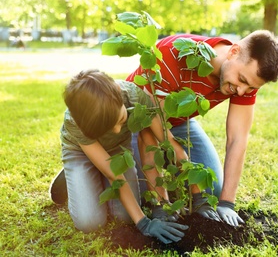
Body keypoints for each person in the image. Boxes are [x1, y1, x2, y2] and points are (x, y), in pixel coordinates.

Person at [127, 30, 278, 227]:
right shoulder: (171, 54)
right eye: (242, 80)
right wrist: (182, 160)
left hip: (179, 121)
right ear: (234, 51)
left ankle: (175, 178)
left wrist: (227, 203)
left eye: (251, 88)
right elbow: (150, 125)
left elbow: (238, 138)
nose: (243, 91)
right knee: (133, 200)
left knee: (211, 191)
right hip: (137, 120)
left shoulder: (248, 77)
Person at [58, 69, 188, 244]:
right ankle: (77, 173)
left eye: (120, 121)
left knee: (125, 217)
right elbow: (114, 173)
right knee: (89, 223)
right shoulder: (76, 120)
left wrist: (195, 194)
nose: (118, 131)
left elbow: (168, 141)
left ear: (118, 94)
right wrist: (144, 224)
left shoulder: (135, 98)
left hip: (118, 150)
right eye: (109, 127)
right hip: (80, 152)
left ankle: (90, 176)